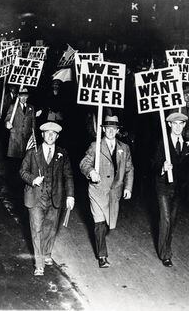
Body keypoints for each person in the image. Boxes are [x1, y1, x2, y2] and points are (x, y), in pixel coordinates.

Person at [152, 112, 189, 267]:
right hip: (163, 186)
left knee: (173, 220)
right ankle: (165, 254)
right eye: (174, 124)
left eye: (180, 124)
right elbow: (153, 163)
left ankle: (166, 247)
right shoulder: (162, 142)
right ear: (169, 125)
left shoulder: (188, 143)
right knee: (167, 219)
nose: (177, 127)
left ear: (184, 125)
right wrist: (162, 167)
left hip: (178, 188)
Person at [19, 122, 75, 276]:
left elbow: (68, 176)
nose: (50, 136)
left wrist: (70, 195)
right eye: (47, 133)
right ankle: (39, 264)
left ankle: (47, 253)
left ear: (57, 136)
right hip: (35, 198)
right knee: (36, 230)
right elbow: (22, 171)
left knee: (50, 228)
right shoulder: (32, 152)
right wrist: (33, 179)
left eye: (53, 133)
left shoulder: (62, 154)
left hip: (55, 198)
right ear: (42, 135)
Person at [79, 115, 134, 268]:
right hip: (97, 190)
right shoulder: (95, 146)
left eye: (113, 129)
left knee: (109, 222)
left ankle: (101, 248)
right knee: (100, 223)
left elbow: (129, 169)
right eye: (107, 128)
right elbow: (84, 162)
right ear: (103, 129)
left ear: (117, 131)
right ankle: (102, 256)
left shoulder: (124, 148)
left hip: (114, 192)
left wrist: (128, 187)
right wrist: (91, 172)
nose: (110, 131)